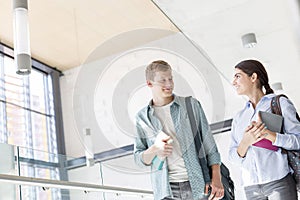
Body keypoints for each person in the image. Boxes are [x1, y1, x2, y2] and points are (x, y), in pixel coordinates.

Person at [133, 60, 224, 200]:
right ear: (150, 83)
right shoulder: (142, 118)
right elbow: (139, 159)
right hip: (166, 190)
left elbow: (210, 146)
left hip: (198, 185)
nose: (168, 84)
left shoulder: (191, 105)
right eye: (162, 80)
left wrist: (216, 178)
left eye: (170, 78)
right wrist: (155, 149)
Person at [228, 59, 300, 199]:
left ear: (253, 77)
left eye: (238, 76)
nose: (233, 82)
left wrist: (271, 135)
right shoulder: (239, 117)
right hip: (251, 188)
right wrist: (245, 142)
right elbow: (232, 157)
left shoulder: (280, 104)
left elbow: (298, 140)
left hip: (279, 182)